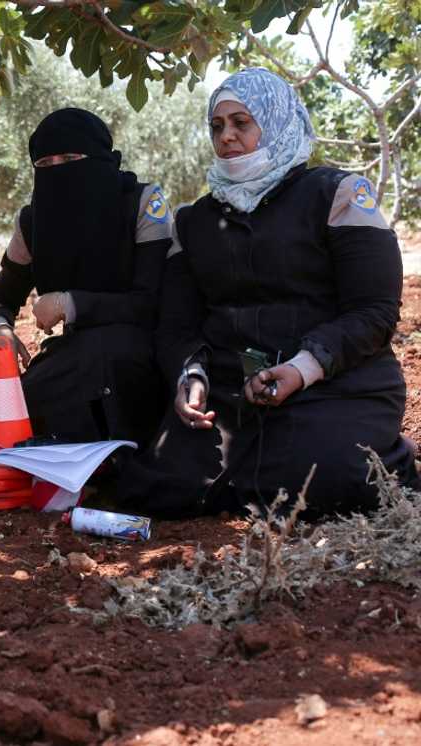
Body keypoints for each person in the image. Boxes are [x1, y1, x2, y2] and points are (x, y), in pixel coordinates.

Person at [119, 67, 419, 517]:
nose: (227, 137)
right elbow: (177, 324)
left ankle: (393, 455)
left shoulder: (337, 194)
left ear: (275, 121)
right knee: (158, 488)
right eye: (217, 126)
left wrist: (302, 368)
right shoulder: (193, 221)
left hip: (335, 383)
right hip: (230, 391)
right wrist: (191, 377)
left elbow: (373, 312)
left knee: (328, 481)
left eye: (242, 123)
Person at [0, 108, 172, 447]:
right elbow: (1, 295)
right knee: (22, 407)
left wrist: (70, 303)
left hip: (141, 349)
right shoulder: (32, 223)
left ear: (99, 158)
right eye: (46, 164)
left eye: (70, 157)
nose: (59, 170)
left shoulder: (141, 203)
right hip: (73, 351)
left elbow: (151, 302)